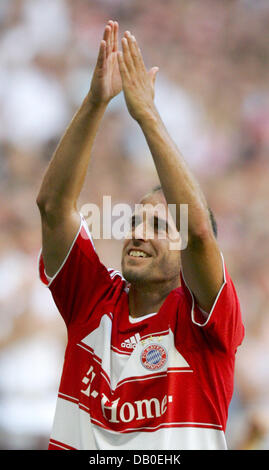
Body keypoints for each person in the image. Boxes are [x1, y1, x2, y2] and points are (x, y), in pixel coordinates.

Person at [36, 20, 244, 450]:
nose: (137, 233)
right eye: (134, 220)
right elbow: (54, 208)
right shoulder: (92, 297)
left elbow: (200, 232)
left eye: (158, 226)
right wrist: (96, 102)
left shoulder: (204, 323)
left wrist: (146, 114)